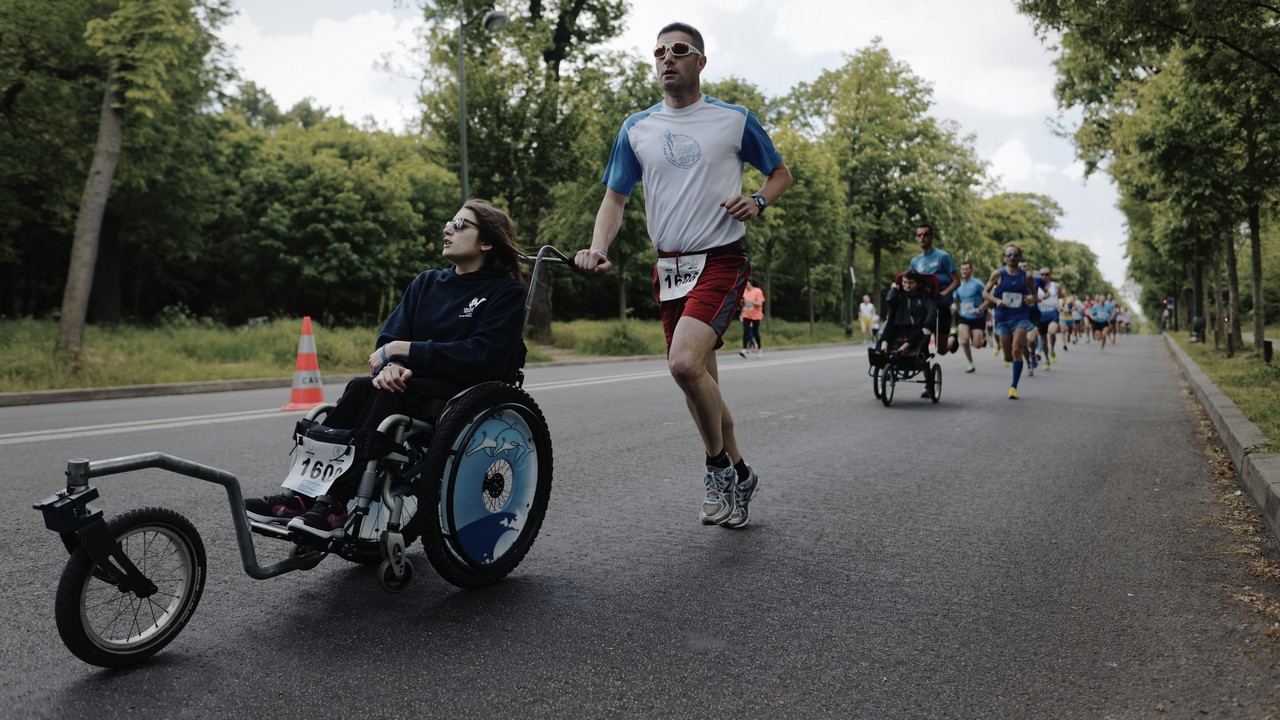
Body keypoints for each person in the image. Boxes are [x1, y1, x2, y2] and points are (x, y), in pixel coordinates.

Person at [574, 21, 792, 530]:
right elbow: (615, 198)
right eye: (659, 52)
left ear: (700, 61)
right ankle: (740, 472)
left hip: (720, 258)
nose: (666, 58)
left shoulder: (733, 120)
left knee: (683, 365)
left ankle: (717, 467)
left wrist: (758, 200)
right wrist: (597, 247)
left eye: (679, 50)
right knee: (699, 383)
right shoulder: (636, 128)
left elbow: (780, 172)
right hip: (669, 268)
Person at [245, 200, 528, 537]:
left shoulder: (505, 293)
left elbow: (483, 354)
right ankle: (302, 496)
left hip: (462, 389)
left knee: (386, 394)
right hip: (409, 381)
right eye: (449, 221)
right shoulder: (426, 283)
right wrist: (392, 363)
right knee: (361, 387)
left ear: (486, 242)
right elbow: (390, 337)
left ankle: (334, 503)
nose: (447, 228)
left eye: (461, 224)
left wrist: (402, 352)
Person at [984, 243, 1038, 399]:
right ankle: (1012, 360)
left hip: (1020, 316)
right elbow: (985, 293)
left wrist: (1030, 299)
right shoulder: (998, 274)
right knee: (1008, 356)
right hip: (1002, 317)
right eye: (1009, 255)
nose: (1012, 257)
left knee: (1016, 349)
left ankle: (1013, 386)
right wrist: (996, 300)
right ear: (1004, 258)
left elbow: (1035, 295)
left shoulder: (1026, 276)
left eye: (1015, 255)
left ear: (1020, 257)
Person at [908, 223, 959, 354]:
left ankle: (952, 339)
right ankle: (927, 373)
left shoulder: (943, 257)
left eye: (925, 234)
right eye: (919, 235)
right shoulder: (915, 261)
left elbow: (956, 281)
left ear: (932, 237)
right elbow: (909, 281)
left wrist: (945, 293)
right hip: (923, 307)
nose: (922, 237)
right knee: (921, 342)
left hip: (941, 306)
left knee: (941, 350)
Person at [878, 269, 937, 355]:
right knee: (887, 328)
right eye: (904, 282)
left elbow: (932, 311)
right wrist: (894, 289)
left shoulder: (924, 298)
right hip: (899, 328)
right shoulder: (898, 296)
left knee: (920, 333)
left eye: (911, 283)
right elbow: (889, 301)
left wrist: (927, 326)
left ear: (918, 284)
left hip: (916, 329)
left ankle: (900, 351)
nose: (907, 285)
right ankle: (882, 350)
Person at [952, 261, 988, 373]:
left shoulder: (977, 284)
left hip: (977, 317)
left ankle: (982, 338)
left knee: (977, 345)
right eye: (962, 269)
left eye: (966, 269)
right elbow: (954, 298)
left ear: (971, 270)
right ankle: (970, 363)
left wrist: (980, 308)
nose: (964, 271)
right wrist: (953, 305)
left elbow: (988, 297)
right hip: (963, 317)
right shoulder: (958, 285)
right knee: (964, 341)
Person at [1034, 266, 1064, 370]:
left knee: (1052, 332)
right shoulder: (1036, 285)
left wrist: (1061, 304)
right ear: (1039, 275)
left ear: (1050, 275)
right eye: (1042, 274)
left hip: (1053, 314)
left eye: (1046, 274)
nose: (1044, 276)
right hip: (1040, 315)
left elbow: (1062, 296)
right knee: (1043, 342)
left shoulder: (1056, 286)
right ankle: (1047, 359)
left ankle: (1052, 350)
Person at [739, 277, 765, 357]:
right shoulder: (744, 291)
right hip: (746, 314)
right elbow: (742, 305)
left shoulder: (757, 291)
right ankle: (744, 349)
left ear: (750, 283)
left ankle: (759, 349)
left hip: (756, 315)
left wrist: (751, 301)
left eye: (746, 283)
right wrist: (742, 302)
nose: (745, 285)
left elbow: (760, 304)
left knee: (755, 332)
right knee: (746, 331)